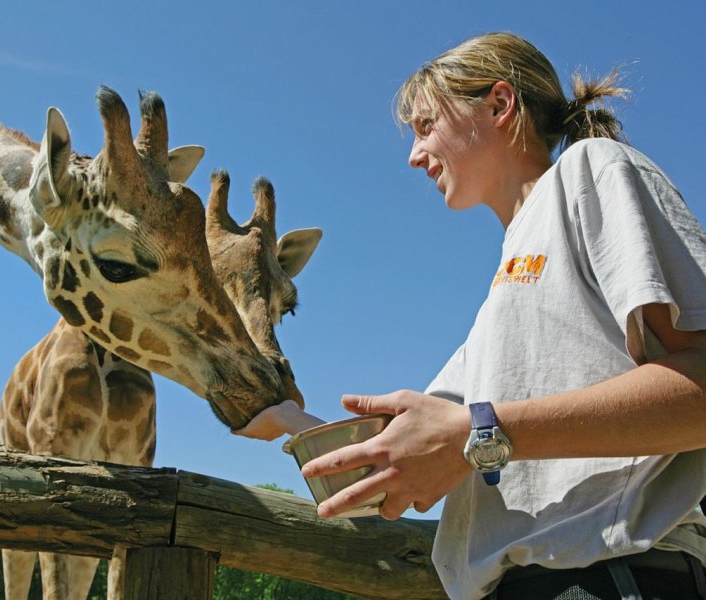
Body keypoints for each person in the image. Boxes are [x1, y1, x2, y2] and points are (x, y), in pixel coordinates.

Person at [296, 32, 706, 600]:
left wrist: (480, 434)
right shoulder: (497, 304)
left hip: (607, 577)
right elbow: (424, 445)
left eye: (423, 127)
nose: (414, 156)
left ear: (499, 104)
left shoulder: (591, 171)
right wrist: (282, 418)